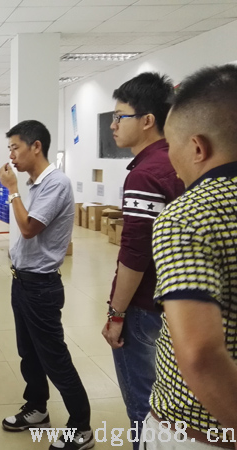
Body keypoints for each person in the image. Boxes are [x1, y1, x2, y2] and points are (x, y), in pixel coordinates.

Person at [142, 65, 237, 449]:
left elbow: (199, 354)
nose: (170, 160)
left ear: (198, 147)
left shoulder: (190, 216)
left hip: (200, 432)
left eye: (171, 146)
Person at [101, 72, 184, 449]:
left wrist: (117, 313)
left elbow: (136, 253)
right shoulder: (176, 162)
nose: (113, 125)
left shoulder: (146, 174)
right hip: (175, 302)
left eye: (120, 117)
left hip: (145, 305)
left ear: (148, 120)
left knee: (143, 405)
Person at [0, 120, 93, 450]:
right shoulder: (35, 184)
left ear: (35, 146)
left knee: (54, 357)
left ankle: (81, 426)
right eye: (9, 148)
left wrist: (11, 190)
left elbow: (28, 228)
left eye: (15, 147)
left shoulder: (56, 183)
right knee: (28, 353)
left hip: (41, 287)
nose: (11, 155)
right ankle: (37, 408)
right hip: (22, 282)